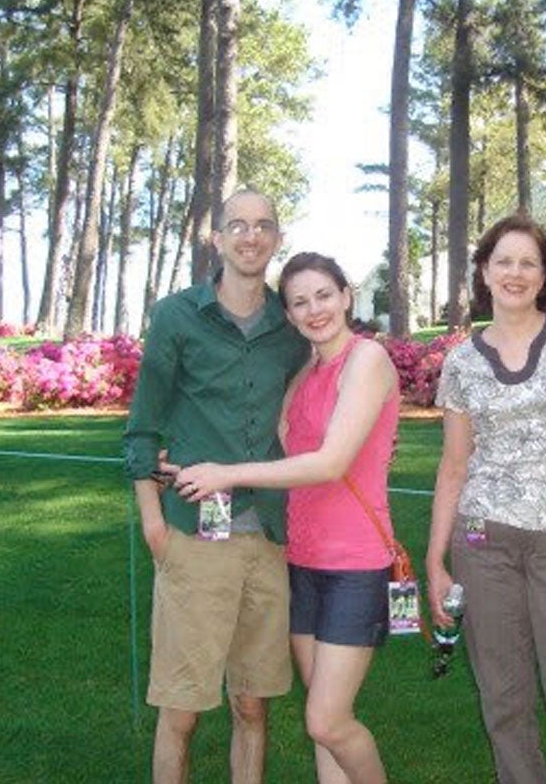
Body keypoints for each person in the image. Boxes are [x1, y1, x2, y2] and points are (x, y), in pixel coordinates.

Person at [174, 252, 400, 784]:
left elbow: (330, 463)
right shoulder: (305, 373)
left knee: (328, 720)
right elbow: (266, 442)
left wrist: (225, 474)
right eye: (299, 302)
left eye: (324, 295)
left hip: (356, 564)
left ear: (346, 296)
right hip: (302, 558)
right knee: (321, 728)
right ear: (289, 316)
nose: (314, 309)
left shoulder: (366, 360)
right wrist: (190, 456)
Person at [425, 214, 546, 784]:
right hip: (485, 544)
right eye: (502, 261)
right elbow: (454, 464)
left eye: (527, 262)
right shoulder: (462, 360)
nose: (514, 273)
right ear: (484, 272)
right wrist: (437, 560)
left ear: (545, 274)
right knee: (505, 703)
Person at [123, 189, 311, 784]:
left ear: (277, 237)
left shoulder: (293, 327)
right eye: (238, 225)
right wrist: (153, 522)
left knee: (253, 704)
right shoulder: (178, 316)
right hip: (194, 541)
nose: (250, 236)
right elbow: (142, 428)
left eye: (263, 225)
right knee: (181, 709)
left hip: (270, 541)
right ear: (217, 238)